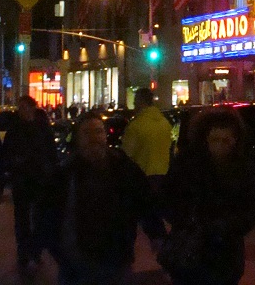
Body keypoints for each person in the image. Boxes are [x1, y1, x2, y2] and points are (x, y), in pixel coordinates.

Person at [40, 111, 165, 285]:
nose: (94, 138)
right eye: (87, 133)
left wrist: (156, 232)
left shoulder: (123, 167)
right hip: (75, 265)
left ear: (105, 135)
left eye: (98, 131)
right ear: (78, 138)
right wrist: (53, 249)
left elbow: (144, 200)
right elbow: (47, 214)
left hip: (116, 259)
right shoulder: (65, 174)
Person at [162, 107, 255, 285]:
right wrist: (189, 220)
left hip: (225, 255)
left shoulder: (242, 168)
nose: (220, 145)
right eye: (215, 139)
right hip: (191, 253)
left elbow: (251, 208)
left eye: (226, 140)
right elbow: (168, 200)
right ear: (204, 138)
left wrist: (227, 225)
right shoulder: (187, 164)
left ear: (235, 140)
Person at [0, 95, 58, 275]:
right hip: (22, 180)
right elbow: (7, 153)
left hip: (39, 179)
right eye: (20, 108)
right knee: (22, 219)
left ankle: (35, 250)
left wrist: (50, 172)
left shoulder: (41, 128)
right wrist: (13, 167)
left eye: (24, 107)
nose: (22, 111)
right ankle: (24, 252)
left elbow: (51, 152)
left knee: (39, 217)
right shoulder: (15, 129)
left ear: (32, 108)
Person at [121, 87, 172, 196]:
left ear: (140, 102)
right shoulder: (165, 123)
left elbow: (126, 156)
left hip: (142, 177)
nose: (134, 105)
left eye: (135, 101)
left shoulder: (135, 126)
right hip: (164, 175)